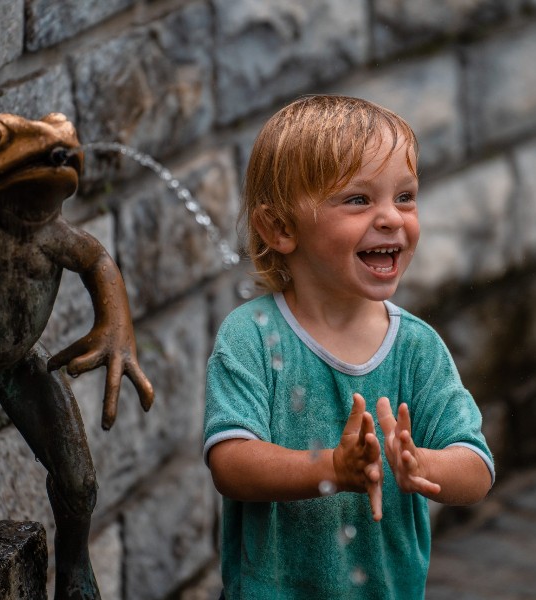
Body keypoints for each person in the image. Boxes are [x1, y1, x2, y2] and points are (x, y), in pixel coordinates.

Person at [203, 95, 495, 598]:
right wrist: (331, 470)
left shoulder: (416, 348)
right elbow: (231, 463)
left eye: (405, 196)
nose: (391, 218)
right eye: (358, 200)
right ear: (281, 228)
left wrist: (421, 465)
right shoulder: (251, 335)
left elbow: (476, 468)